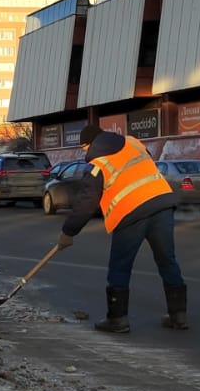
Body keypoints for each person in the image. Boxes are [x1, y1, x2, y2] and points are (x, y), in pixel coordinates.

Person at [57, 124, 188, 333]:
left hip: (131, 213)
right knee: (167, 260)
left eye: (83, 148)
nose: (85, 153)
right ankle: (178, 315)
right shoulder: (133, 142)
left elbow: (86, 203)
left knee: (120, 266)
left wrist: (68, 232)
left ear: (89, 144)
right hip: (162, 204)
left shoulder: (97, 164)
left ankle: (117, 320)